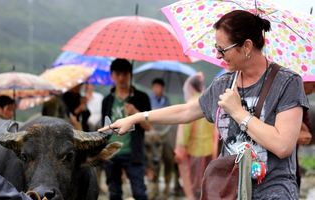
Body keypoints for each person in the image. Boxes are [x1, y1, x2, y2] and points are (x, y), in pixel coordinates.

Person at [100, 10, 308, 199]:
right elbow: (186, 110)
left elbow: (283, 146)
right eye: (216, 49)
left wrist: (238, 112)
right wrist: (135, 117)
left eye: (222, 49)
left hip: (272, 190)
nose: (218, 55)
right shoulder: (225, 83)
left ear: (246, 46)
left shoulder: (287, 83)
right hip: (229, 189)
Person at [101, 58, 151, 200]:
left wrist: (136, 113)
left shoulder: (141, 98)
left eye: (125, 74)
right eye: (118, 74)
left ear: (130, 74)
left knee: (139, 193)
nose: (122, 78)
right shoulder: (107, 100)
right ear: (112, 76)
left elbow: (148, 127)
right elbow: (104, 127)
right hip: (111, 153)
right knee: (114, 194)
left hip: (133, 152)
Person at [174, 72, 215, 200]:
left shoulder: (192, 104)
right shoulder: (208, 101)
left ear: (190, 87)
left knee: (194, 187)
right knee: (205, 185)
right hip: (209, 150)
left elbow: (185, 128)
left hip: (194, 152)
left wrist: (180, 148)